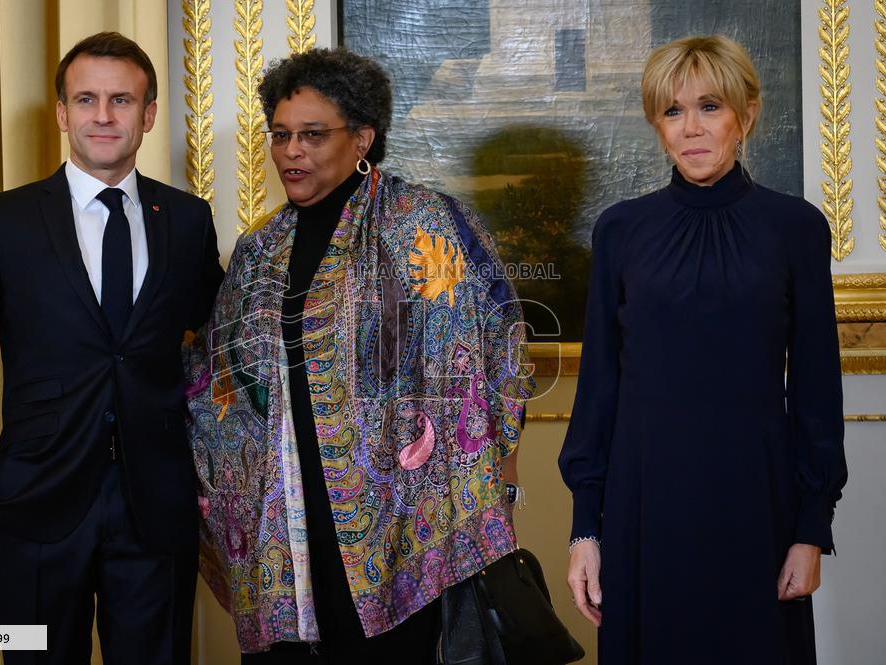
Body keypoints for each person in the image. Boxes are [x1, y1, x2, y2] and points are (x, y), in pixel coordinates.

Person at [184, 47, 535, 663]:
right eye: (282, 135)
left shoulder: (422, 223)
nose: (292, 150)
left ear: (363, 138)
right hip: (286, 522)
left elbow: (492, 348)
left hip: (403, 518)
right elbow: (221, 380)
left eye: (313, 135)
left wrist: (498, 482)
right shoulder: (257, 250)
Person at [0, 32, 223, 665]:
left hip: (156, 505)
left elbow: (224, 344)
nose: (104, 115)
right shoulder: (4, 222)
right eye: (86, 99)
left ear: (148, 115)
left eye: (122, 100)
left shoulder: (189, 220)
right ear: (62, 113)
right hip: (33, 502)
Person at [559, 35, 848, 664]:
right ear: (656, 124)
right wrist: (586, 528)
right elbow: (599, 389)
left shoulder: (795, 228)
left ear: (746, 115)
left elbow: (818, 391)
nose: (690, 128)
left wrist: (810, 530)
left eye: (709, 106)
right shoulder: (621, 231)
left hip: (757, 509)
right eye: (672, 111)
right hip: (643, 509)